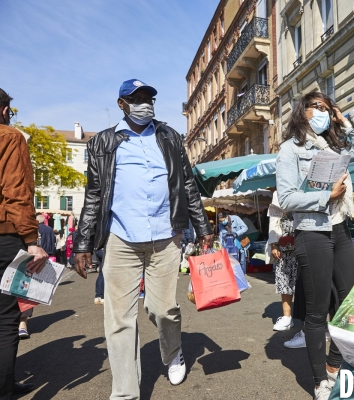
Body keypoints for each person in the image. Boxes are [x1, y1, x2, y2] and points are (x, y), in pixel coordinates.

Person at [73, 79, 214, 398]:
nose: (144, 103)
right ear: (121, 104)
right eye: (136, 98)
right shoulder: (103, 142)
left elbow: (188, 186)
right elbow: (94, 194)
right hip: (120, 238)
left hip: (166, 237)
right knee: (119, 320)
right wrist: (83, 243)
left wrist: (203, 227)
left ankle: (172, 350)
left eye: (148, 97)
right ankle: (125, 392)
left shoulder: (170, 137)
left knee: (163, 309)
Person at [276, 89, 354, 400]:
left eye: (326, 108)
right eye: (315, 107)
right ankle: (320, 381)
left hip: (339, 229)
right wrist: (324, 197)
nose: (321, 112)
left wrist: (344, 122)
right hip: (312, 232)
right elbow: (288, 198)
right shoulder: (290, 149)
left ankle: (334, 363)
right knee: (317, 312)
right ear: (301, 112)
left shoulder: (334, 145)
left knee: (353, 301)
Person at [0, 88, 47, 398]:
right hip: (4, 234)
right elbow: (16, 193)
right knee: (5, 319)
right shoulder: (10, 137)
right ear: (4, 110)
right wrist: (32, 240)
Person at [265, 191, 298, 331]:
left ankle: (309, 318)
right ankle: (286, 317)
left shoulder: (304, 189)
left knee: (306, 284)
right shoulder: (278, 193)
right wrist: (273, 244)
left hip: (303, 241)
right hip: (283, 245)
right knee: (285, 281)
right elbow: (274, 219)